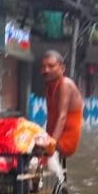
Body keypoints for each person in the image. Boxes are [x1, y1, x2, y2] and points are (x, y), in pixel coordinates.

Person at [40, 50, 84, 180]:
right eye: (43, 67)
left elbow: (62, 117)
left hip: (65, 140)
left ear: (62, 68)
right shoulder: (49, 86)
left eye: (51, 66)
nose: (46, 70)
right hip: (54, 133)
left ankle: (55, 184)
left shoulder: (65, 84)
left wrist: (51, 143)